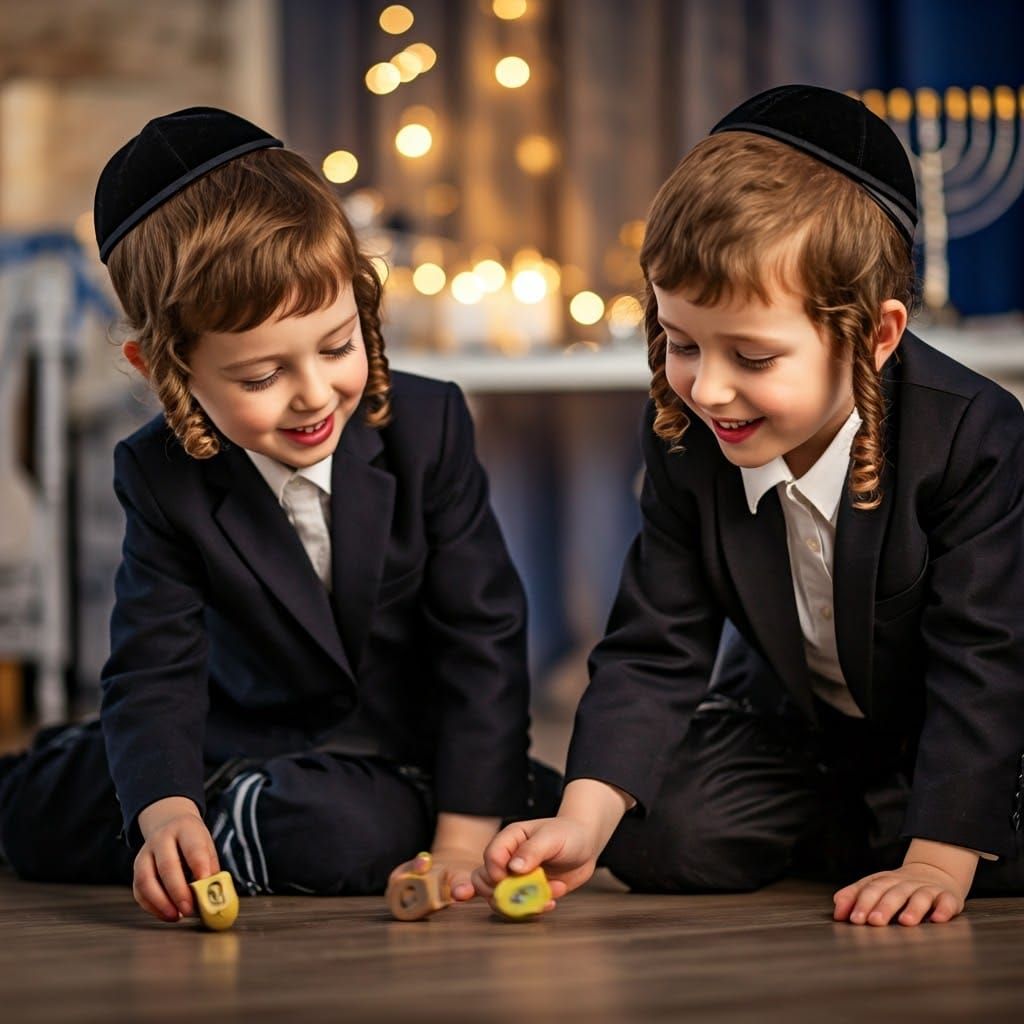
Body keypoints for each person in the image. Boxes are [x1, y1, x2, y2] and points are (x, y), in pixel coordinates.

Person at [474, 84, 1024, 926]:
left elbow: (984, 661)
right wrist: (582, 817)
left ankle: (911, 831)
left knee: (989, 826)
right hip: (804, 735)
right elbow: (654, 646)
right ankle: (868, 827)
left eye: (755, 357)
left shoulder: (973, 435)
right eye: (681, 343)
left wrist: (939, 861)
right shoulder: (686, 437)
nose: (710, 388)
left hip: (955, 723)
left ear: (874, 335)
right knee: (661, 836)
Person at [0, 107, 558, 921]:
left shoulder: (428, 427)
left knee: (390, 824)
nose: (313, 394)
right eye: (261, 377)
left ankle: (236, 813)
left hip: (406, 757)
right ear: (165, 371)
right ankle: (176, 808)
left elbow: (484, 637)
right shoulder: (159, 475)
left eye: (337, 346)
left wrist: (467, 841)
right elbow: (155, 667)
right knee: (71, 803)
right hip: (232, 740)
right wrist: (166, 811)